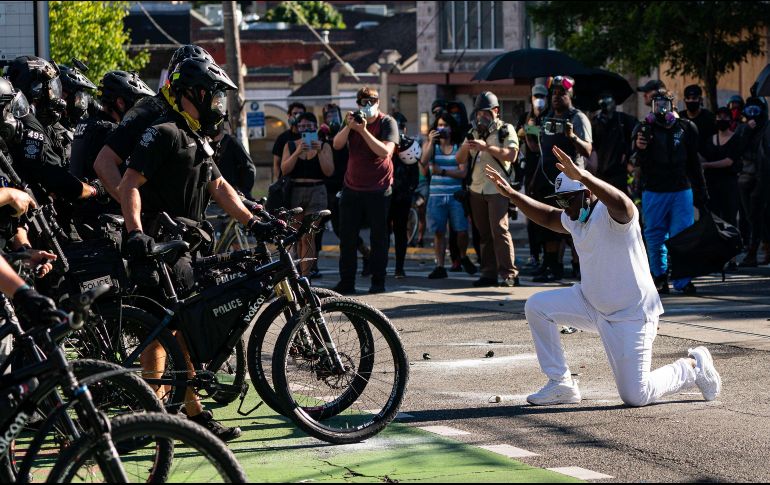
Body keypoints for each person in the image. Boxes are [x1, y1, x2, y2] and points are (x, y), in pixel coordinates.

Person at [485, 146, 721, 407]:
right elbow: (548, 215)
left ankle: (693, 366)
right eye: (560, 201)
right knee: (537, 306)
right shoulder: (574, 217)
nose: (565, 209)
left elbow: (623, 203)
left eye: (568, 201)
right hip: (590, 304)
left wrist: (584, 176)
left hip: (631, 314)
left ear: (587, 194)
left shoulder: (613, 216)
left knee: (635, 395)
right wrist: (512, 195)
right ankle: (561, 384)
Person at [119, 57, 252, 441]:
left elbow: (221, 187)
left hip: (186, 247)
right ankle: (150, 416)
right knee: (162, 334)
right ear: (193, 93)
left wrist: (254, 221)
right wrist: (135, 233)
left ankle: (188, 411)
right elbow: (129, 183)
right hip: (160, 247)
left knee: (185, 334)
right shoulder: (162, 133)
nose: (218, 106)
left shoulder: (195, 137)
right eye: (214, 97)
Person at [94, 44, 214, 201]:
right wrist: (127, 203)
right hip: (150, 221)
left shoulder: (191, 118)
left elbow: (214, 182)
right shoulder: (148, 110)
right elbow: (104, 161)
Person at [633, 90, 707, 294]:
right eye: (657, 105)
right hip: (654, 190)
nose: (661, 109)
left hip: (681, 190)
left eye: (664, 104)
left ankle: (683, 280)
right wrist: (640, 146)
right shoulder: (644, 127)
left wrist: (702, 191)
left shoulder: (686, 127)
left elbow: (694, 162)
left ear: (673, 105)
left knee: (683, 235)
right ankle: (659, 277)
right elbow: (635, 161)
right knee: (655, 236)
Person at [5, 56, 105, 207]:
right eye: (51, 88)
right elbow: (61, 183)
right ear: (36, 90)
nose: (54, 96)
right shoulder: (28, 125)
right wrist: (96, 189)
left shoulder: (13, 119)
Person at [69, 70, 156, 235]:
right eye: (136, 105)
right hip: (102, 219)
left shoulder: (86, 124)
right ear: (121, 103)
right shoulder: (110, 130)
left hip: (82, 215)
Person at [332, 86, 398, 295]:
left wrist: (364, 131)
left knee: (379, 238)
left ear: (378, 102)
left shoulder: (387, 122)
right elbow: (337, 144)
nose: (367, 106)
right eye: (363, 102)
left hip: (378, 189)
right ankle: (347, 281)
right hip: (352, 187)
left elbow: (385, 152)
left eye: (371, 102)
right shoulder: (353, 121)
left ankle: (378, 281)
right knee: (347, 237)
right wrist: (349, 126)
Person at [530, 76, 593, 282]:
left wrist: (572, 136)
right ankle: (551, 265)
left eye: (561, 94)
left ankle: (580, 267)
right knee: (550, 226)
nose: (556, 97)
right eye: (554, 94)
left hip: (571, 180)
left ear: (570, 95)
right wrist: (529, 133)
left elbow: (588, 150)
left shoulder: (578, 117)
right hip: (548, 178)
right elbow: (539, 148)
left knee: (575, 226)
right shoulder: (546, 117)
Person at [455, 91, 519, 288]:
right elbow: (459, 160)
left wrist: (487, 147)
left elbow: (512, 155)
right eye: (478, 113)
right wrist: (467, 146)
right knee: (484, 234)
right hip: (477, 189)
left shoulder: (505, 130)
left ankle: (509, 274)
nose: (481, 117)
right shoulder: (473, 133)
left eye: (485, 113)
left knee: (500, 230)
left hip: (497, 189)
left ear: (495, 111)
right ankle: (488, 273)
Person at [318, 103, 371, 278]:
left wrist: (347, 127)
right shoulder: (322, 136)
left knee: (345, 228)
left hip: (346, 185)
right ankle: (312, 265)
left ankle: (366, 254)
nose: (332, 117)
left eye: (334, 114)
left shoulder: (347, 133)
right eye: (328, 115)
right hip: (327, 186)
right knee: (320, 228)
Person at [421, 112, 475, 279]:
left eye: (445, 125)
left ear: (452, 128)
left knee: (461, 230)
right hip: (436, 195)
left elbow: (463, 172)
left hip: (455, 195)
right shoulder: (432, 146)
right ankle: (440, 265)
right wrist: (430, 141)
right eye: (439, 125)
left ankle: (463, 256)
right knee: (438, 232)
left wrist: (442, 171)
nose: (442, 128)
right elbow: (423, 162)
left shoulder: (459, 146)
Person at [280, 112, 333, 276]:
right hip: (296, 191)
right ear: (297, 128)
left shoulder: (324, 146)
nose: (306, 129)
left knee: (308, 236)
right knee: (296, 236)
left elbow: (329, 171)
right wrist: (297, 152)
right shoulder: (290, 145)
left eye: (310, 126)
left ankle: (305, 275)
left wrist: (319, 152)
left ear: (316, 128)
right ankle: (295, 271)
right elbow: (284, 169)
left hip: (317, 191)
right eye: (302, 126)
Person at [518, 84, 549, 270]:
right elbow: (518, 133)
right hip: (531, 173)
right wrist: (526, 130)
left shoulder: (550, 117)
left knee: (547, 215)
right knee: (531, 215)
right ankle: (534, 255)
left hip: (546, 172)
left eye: (541, 96)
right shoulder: (526, 117)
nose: (539, 99)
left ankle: (548, 256)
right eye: (535, 96)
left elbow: (543, 144)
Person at [736, 97, 770, 267]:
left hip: (763, 178)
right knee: (751, 216)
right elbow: (737, 149)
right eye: (749, 112)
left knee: (759, 216)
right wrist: (747, 132)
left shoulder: (767, 129)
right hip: (746, 178)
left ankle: (755, 250)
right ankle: (757, 248)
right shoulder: (743, 129)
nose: (752, 116)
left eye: (756, 112)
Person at [389, 115, 419, 279]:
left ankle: (399, 267)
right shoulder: (384, 143)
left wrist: (408, 192)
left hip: (402, 196)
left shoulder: (409, 145)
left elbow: (414, 174)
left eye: (399, 127)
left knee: (400, 231)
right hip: (385, 194)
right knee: (381, 231)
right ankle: (376, 265)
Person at [702, 107, 741, 226]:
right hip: (712, 185)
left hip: (729, 185)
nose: (721, 120)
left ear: (730, 120)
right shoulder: (710, 139)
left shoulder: (736, 139)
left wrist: (707, 165)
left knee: (729, 218)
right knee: (713, 217)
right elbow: (704, 156)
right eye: (719, 117)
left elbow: (729, 161)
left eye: (725, 117)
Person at [589, 92, 636, 193]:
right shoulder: (596, 122)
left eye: (610, 101)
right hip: (601, 171)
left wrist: (628, 156)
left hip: (619, 172)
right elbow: (591, 145)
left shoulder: (623, 119)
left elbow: (635, 137)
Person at [272, 102, 306, 181]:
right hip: (289, 182)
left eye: (301, 113)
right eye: (295, 113)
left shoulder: (309, 136)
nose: (298, 116)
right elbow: (276, 163)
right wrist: (280, 180)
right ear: (289, 116)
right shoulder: (282, 138)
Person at [679, 84, 716, 155]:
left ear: (700, 100)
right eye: (688, 98)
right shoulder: (680, 117)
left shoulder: (709, 117)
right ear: (684, 100)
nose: (691, 101)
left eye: (694, 98)